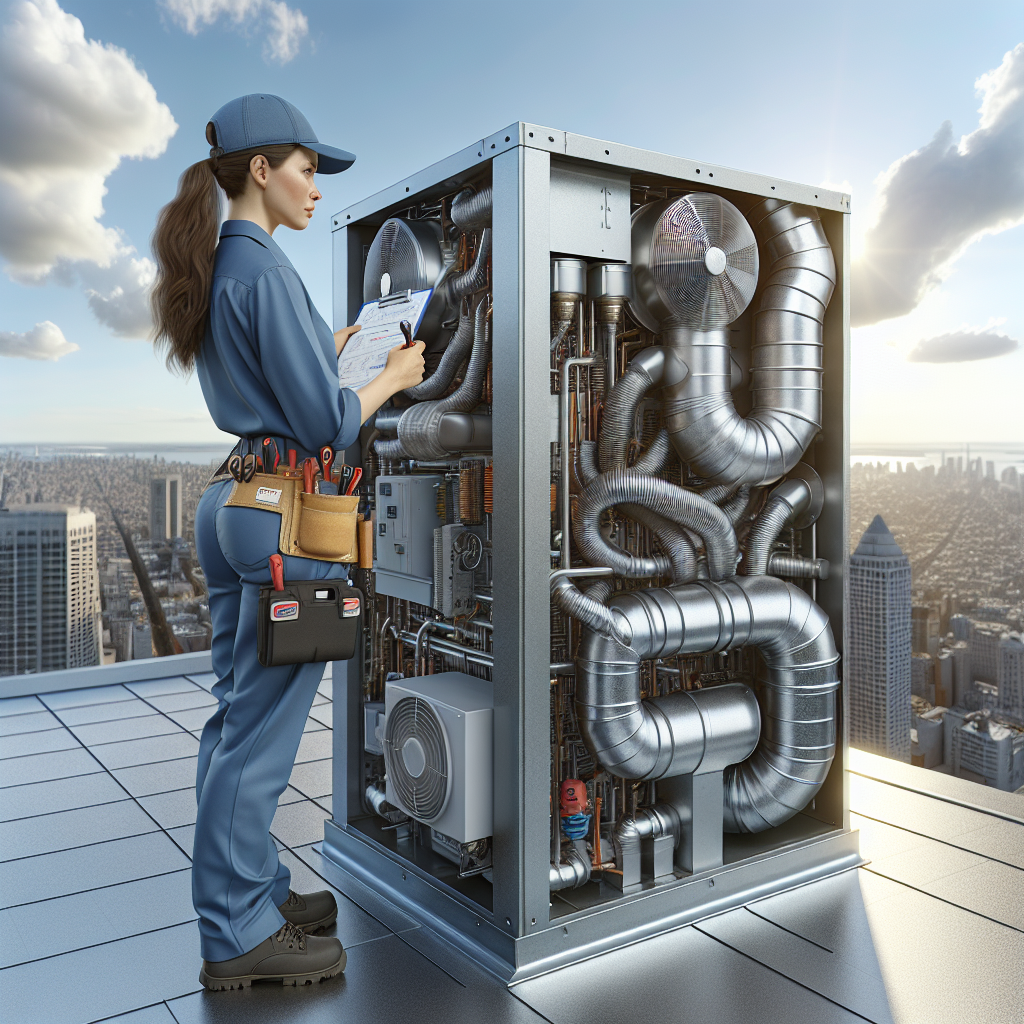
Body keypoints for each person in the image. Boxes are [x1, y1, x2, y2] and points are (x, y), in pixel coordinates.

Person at [150, 94, 424, 991]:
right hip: (286, 516)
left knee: (235, 718)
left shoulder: (224, 266)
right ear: (260, 170)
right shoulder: (263, 269)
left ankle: (258, 888)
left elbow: (278, 384)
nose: (316, 187)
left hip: (236, 501)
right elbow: (328, 422)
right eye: (307, 168)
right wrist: (387, 375)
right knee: (260, 735)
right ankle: (236, 935)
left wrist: (329, 343)